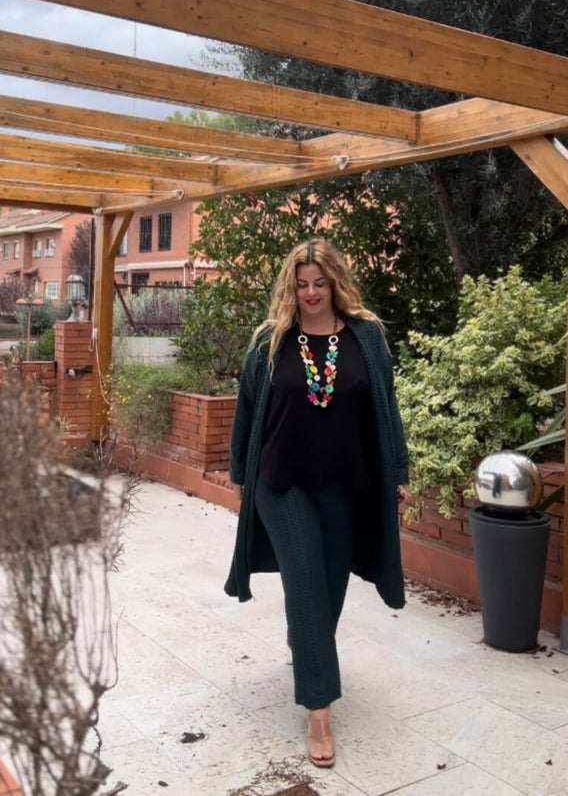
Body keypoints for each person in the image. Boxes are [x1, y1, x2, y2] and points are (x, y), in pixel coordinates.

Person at [224, 238, 409, 769]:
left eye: (319, 284)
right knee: (305, 583)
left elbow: (387, 407)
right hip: (282, 484)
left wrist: (398, 471)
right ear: (291, 286)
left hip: (344, 484)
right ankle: (319, 711)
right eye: (302, 284)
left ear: (335, 283)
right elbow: (247, 410)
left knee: (327, 591)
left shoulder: (366, 338)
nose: (310, 293)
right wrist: (239, 473)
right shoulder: (270, 342)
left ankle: (306, 647)